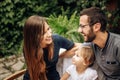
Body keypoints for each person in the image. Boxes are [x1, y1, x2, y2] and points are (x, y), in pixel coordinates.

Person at [23, 15, 79, 80]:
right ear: (34, 37)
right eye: (43, 33)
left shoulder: (56, 40)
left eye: (48, 29)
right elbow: (37, 70)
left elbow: (76, 46)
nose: (49, 34)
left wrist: (61, 55)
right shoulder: (29, 48)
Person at [78, 7, 120, 80]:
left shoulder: (118, 45)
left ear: (96, 27)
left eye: (83, 26)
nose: (79, 30)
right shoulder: (90, 45)